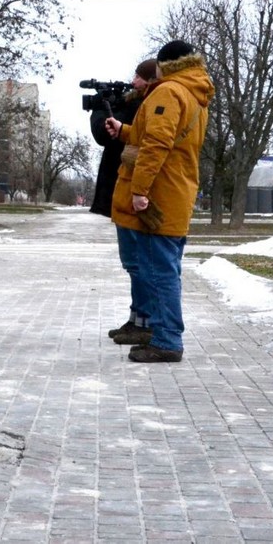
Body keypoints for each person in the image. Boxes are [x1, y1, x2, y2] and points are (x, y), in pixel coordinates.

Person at [105, 40, 213, 362]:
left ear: (165, 66)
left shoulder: (168, 91)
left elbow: (157, 144)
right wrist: (125, 131)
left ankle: (167, 340)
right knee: (163, 268)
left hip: (160, 193)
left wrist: (139, 191)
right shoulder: (195, 93)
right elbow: (167, 138)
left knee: (160, 272)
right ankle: (159, 333)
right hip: (177, 190)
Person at [89, 59, 158, 346]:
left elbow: (105, 135)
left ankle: (146, 322)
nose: (133, 82)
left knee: (138, 262)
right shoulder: (141, 102)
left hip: (135, 192)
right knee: (133, 263)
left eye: (139, 77)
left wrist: (100, 108)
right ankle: (137, 319)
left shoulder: (149, 104)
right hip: (126, 189)